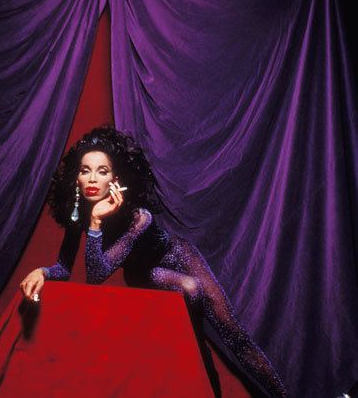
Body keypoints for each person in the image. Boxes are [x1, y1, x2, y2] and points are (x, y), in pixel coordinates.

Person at [20, 124, 288, 397]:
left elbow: (99, 269)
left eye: (102, 171)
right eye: (85, 170)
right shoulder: (85, 219)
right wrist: (43, 271)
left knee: (233, 334)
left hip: (178, 256)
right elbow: (88, 272)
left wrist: (97, 222)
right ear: (76, 178)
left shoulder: (139, 217)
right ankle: (205, 378)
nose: (92, 179)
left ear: (115, 178)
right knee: (190, 294)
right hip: (145, 273)